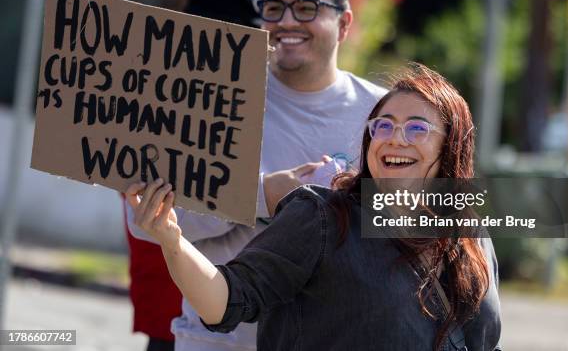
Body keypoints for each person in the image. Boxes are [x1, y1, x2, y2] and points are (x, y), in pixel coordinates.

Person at [127, 64, 502, 350]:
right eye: (383, 126)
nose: (395, 139)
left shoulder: (471, 236)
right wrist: (172, 241)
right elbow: (226, 300)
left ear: (450, 148)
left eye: (417, 129)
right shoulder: (321, 218)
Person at [127, 0, 387, 351]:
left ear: (344, 23)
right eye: (272, 8)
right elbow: (145, 217)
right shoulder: (208, 98)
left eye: (306, 8)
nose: (286, 22)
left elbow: (428, 221)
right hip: (216, 340)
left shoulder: (384, 114)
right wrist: (263, 194)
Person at [124, 0, 264, 351]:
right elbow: (146, 209)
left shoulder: (248, 102)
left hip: (224, 315)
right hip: (173, 312)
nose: (240, 51)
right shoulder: (159, 99)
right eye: (230, 34)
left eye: (250, 39)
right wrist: (266, 194)